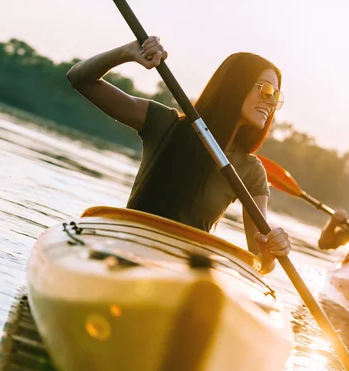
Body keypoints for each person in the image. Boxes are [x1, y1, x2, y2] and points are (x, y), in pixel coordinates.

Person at [66, 36, 291, 274]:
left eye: (277, 96)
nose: (271, 102)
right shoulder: (166, 124)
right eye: (266, 90)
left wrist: (271, 252)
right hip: (127, 253)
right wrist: (127, 52)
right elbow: (80, 78)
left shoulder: (250, 170)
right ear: (237, 85)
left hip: (183, 274)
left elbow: (259, 262)